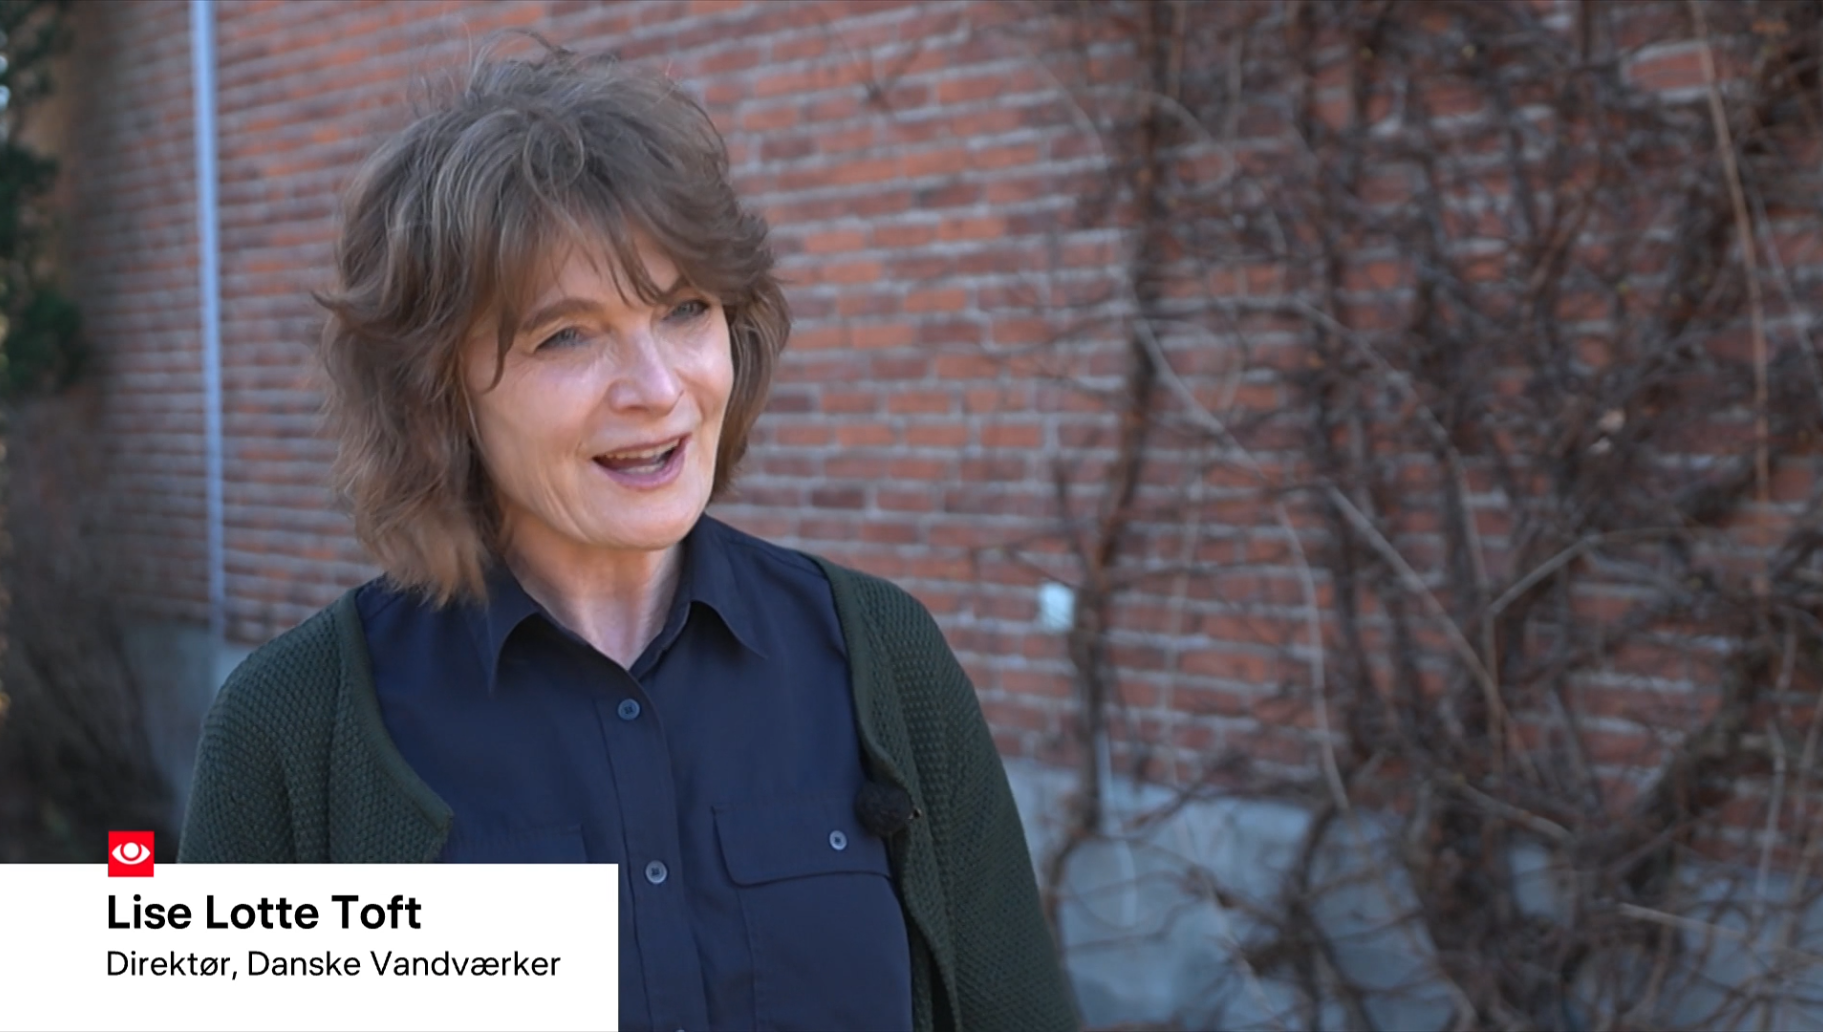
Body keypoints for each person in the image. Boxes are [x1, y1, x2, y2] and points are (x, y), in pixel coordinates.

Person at [177, 39, 1078, 1032]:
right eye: (566, 334)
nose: (655, 389)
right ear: (434, 392)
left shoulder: (887, 664)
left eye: (684, 309)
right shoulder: (293, 730)